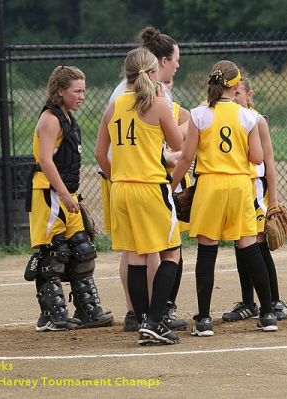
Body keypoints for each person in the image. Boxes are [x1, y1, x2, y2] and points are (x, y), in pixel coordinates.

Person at [170, 60, 278, 336]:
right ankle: (267, 314)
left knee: (207, 252)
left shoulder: (199, 114)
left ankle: (204, 320)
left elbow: (186, 157)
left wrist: (171, 186)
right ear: (236, 85)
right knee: (249, 248)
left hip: (210, 186)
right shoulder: (248, 116)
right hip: (240, 187)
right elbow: (256, 158)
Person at [102, 26, 187, 333]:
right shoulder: (158, 102)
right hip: (150, 187)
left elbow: (101, 153)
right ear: (153, 72)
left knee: (136, 255)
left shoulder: (114, 104)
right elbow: (177, 144)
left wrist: (117, 179)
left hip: (121, 188)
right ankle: (155, 321)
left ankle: (141, 321)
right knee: (171, 252)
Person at [26, 66, 114, 332]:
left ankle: (88, 311)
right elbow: (44, 160)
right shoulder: (51, 119)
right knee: (54, 255)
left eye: (84, 91)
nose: (82, 96)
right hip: (48, 194)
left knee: (82, 250)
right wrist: (64, 194)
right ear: (60, 91)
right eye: (77, 91)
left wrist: (70, 194)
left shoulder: (67, 118)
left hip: (67, 194)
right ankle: (52, 316)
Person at [222, 76, 287, 322]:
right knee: (241, 246)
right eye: (233, 92)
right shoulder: (225, 118)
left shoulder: (257, 120)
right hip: (236, 190)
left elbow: (269, 163)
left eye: (239, 93)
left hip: (256, 190)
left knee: (258, 245)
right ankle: (249, 302)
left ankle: (274, 301)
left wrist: (273, 201)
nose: (234, 97)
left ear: (249, 96)